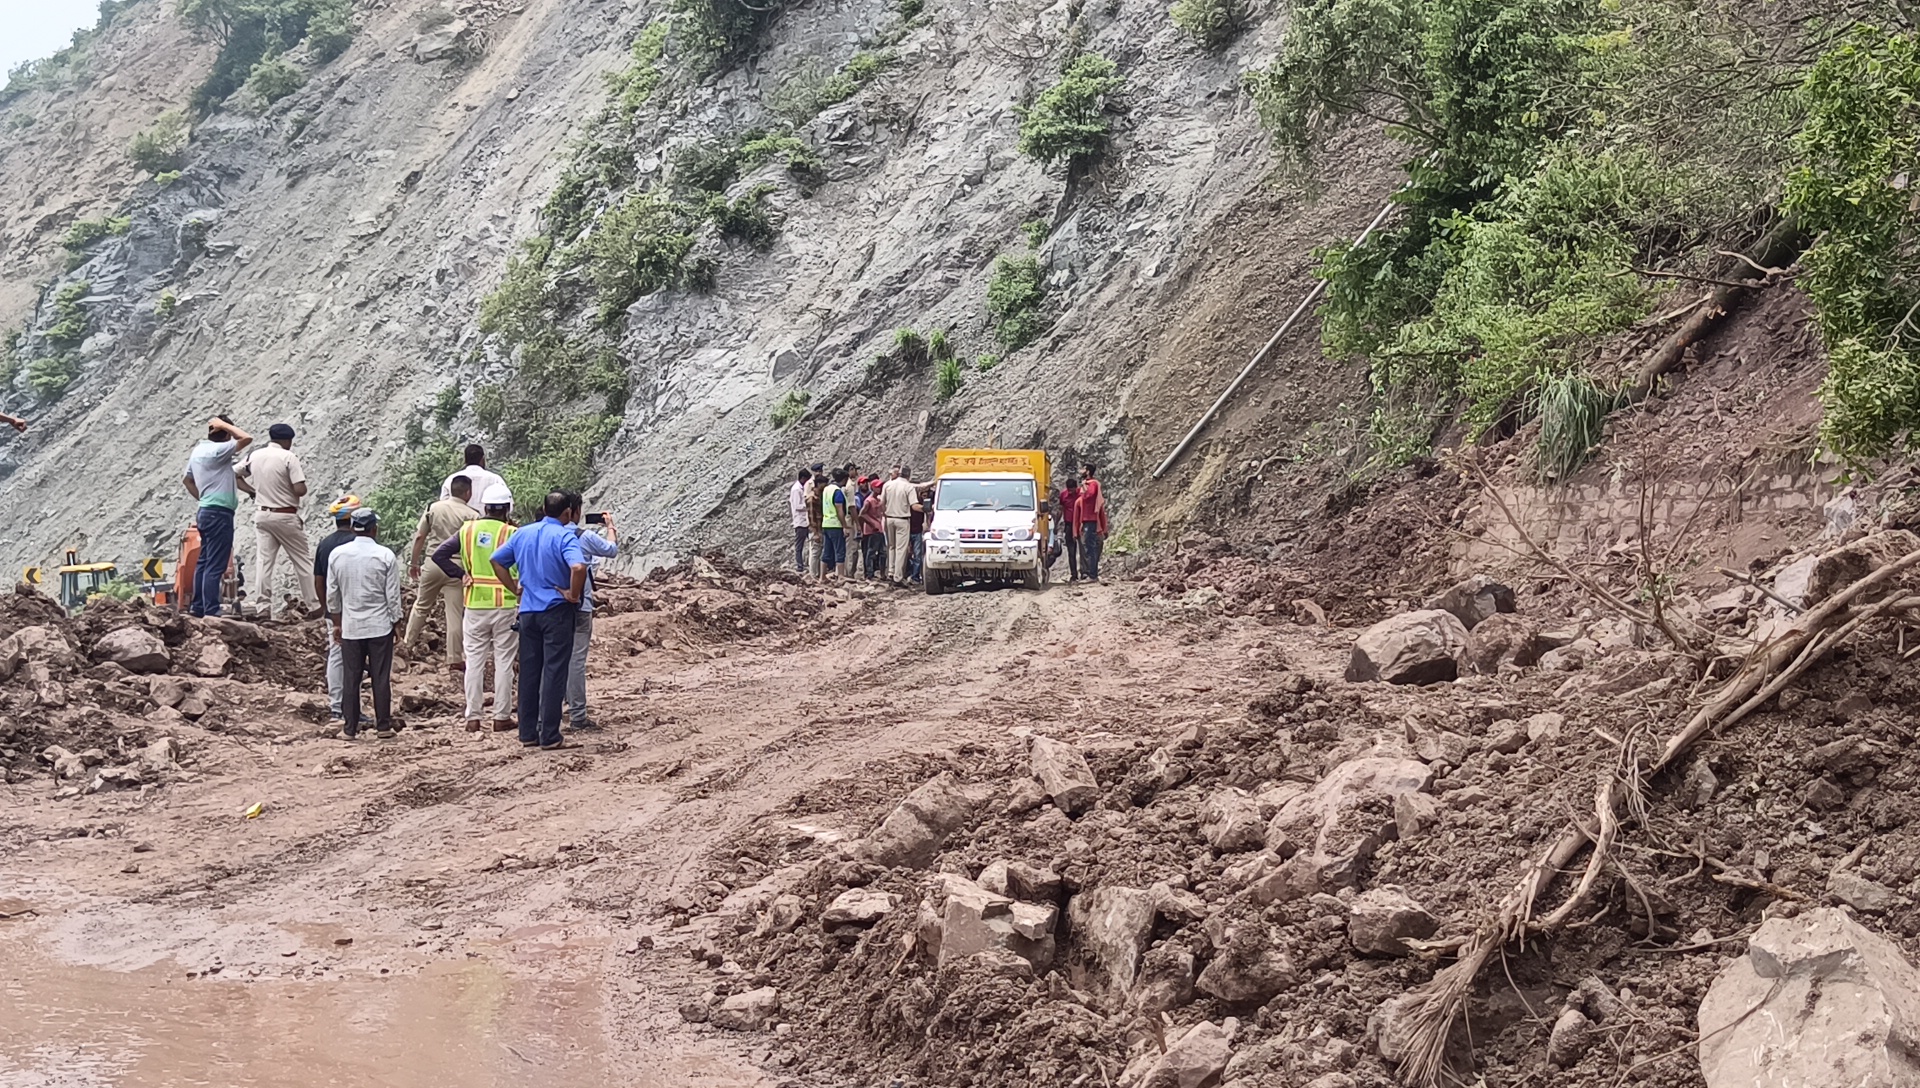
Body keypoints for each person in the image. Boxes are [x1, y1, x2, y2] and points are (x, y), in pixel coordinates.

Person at [487, 491, 587, 751]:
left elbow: (496, 560)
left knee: (530, 672)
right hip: (556, 610)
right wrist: (573, 595)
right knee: (554, 671)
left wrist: (513, 588)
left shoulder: (522, 533)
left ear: (543, 508)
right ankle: (550, 735)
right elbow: (578, 567)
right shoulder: (565, 535)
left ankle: (528, 732)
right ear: (567, 513)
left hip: (528, 611)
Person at [434, 484, 518, 732]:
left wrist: (460, 574)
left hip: (474, 604)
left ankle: (473, 716)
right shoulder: (511, 533)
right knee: (504, 662)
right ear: (507, 508)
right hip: (505, 603)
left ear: (485, 507)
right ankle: (501, 716)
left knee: (474, 662)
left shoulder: (467, 530)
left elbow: (439, 555)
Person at [327, 508, 404, 740]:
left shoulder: (337, 555)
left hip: (351, 627)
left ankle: (349, 729)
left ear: (352, 528)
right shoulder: (385, 555)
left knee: (351, 677)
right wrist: (396, 622)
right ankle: (383, 727)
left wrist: (337, 623)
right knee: (380, 677)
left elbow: (333, 594)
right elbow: (392, 596)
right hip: (380, 626)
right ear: (374, 529)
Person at [235, 423, 314, 616]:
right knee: (302, 561)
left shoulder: (254, 455)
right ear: (287, 441)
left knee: (264, 562)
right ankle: (315, 605)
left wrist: (253, 491)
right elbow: (300, 489)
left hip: (262, 515)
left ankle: (263, 607)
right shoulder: (289, 457)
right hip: (285, 515)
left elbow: (233, 473)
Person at [406, 475, 479, 676]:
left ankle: (407, 646)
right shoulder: (473, 515)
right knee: (454, 612)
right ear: (468, 493)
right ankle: (454, 658)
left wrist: (414, 563)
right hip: (456, 566)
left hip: (432, 562)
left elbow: (420, 536)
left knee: (421, 605)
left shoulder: (434, 508)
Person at [183, 415, 253, 617]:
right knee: (216, 564)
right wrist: (225, 425)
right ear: (226, 435)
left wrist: (203, 498)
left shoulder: (198, 451)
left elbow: (187, 480)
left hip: (205, 511)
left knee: (204, 561)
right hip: (219, 513)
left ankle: (198, 607)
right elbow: (246, 438)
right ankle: (212, 610)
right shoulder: (218, 451)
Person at [563, 495, 618, 732]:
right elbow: (611, 549)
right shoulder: (582, 536)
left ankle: (550, 711)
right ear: (573, 512)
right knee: (575, 659)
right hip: (577, 604)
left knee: (553, 658)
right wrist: (610, 526)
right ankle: (577, 713)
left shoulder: (538, 534)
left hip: (547, 605)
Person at [314, 496, 362, 722]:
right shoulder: (359, 543)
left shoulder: (325, 544)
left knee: (336, 655)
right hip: (358, 608)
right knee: (355, 658)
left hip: (335, 611)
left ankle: (336, 706)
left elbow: (318, 580)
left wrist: (327, 608)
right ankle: (352, 708)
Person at [881, 466, 920, 583]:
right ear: (909, 475)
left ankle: (891, 572)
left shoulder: (888, 485)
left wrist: (885, 514)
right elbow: (914, 506)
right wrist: (927, 509)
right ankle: (898, 577)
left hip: (889, 518)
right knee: (901, 549)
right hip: (902, 519)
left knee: (891, 547)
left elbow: (882, 502)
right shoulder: (908, 487)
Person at [441, 444, 506, 514]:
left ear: (465, 460)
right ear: (483, 459)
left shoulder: (451, 480)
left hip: (459, 523)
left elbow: (444, 505)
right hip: (487, 523)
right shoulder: (496, 480)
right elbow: (508, 505)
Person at [1079, 464, 1109, 582]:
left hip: (1091, 519)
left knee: (1090, 547)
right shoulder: (1087, 483)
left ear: (1088, 471)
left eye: (1083, 468)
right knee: (1088, 546)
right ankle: (1092, 573)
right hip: (1087, 519)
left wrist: (1084, 486)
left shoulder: (1093, 484)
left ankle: (1093, 575)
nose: (1081, 470)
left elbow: (1088, 496)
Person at [820, 469, 850, 579]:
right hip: (835, 524)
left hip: (826, 523)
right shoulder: (837, 492)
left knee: (826, 551)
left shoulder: (827, 489)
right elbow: (839, 510)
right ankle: (841, 575)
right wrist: (845, 526)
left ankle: (822, 576)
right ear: (844, 479)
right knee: (839, 550)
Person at [858, 477, 886, 579]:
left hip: (879, 528)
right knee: (871, 552)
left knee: (882, 552)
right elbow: (861, 514)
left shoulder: (878, 500)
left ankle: (881, 573)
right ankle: (869, 574)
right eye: (878, 487)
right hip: (872, 530)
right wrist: (872, 524)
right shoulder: (868, 501)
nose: (880, 488)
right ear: (873, 488)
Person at [1058, 476, 1083, 582]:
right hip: (1069, 524)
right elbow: (1061, 508)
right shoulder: (1063, 495)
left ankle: (1084, 572)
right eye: (1070, 490)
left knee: (1083, 549)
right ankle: (1074, 574)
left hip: (1081, 523)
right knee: (1071, 551)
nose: (1071, 492)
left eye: (1073, 490)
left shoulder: (1081, 494)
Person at [805, 464, 826, 580]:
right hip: (816, 528)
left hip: (819, 526)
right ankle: (813, 574)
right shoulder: (812, 498)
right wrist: (815, 532)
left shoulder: (818, 497)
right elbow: (811, 517)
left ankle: (816, 573)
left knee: (818, 551)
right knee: (815, 551)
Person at [788, 468, 810, 574]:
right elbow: (797, 506)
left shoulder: (800, 488)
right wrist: (809, 505)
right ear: (803, 478)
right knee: (799, 545)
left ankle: (804, 563)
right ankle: (799, 565)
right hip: (800, 520)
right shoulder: (796, 489)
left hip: (804, 519)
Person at [907, 482, 930, 583]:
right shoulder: (911, 503)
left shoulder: (923, 503)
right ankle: (907, 574)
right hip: (907, 530)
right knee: (906, 554)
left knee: (918, 554)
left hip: (917, 532)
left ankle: (915, 576)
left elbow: (927, 516)